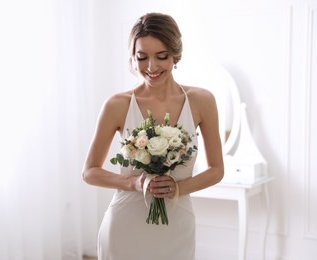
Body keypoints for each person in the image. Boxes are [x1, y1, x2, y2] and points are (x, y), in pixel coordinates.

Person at [82, 12, 224, 260]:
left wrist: (178, 187)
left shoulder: (202, 101)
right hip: (125, 225)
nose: (151, 67)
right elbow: (90, 172)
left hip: (177, 225)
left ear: (175, 55)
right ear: (132, 57)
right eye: (142, 57)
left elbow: (216, 170)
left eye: (162, 57)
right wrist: (135, 183)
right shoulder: (117, 105)